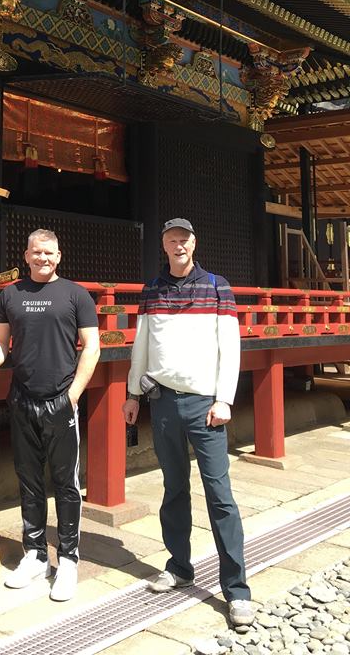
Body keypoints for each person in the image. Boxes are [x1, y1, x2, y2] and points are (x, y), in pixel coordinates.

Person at [122, 218, 254, 628]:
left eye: (184, 240)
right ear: (163, 246)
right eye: (171, 240)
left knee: (220, 494)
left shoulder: (217, 286)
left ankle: (237, 589)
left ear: (194, 244)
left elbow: (229, 347)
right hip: (162, 403)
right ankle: (179, 566)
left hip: (204, 405)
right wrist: (132, 394)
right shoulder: (152, 290)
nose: (178, 246)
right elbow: (141, 344)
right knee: (173, 487)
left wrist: (225, 399)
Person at [0, 229, 100, 602]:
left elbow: (91, 347)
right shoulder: (11, 294)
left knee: (65, 483)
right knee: (28, 480)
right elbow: (0, 341)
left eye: (49, 253)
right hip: (23, 399)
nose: (43, 258)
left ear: (59, 256)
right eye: (36, 253)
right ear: (26, 255)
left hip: (61, 400)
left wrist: (73, 396)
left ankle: (69, 560)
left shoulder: (76, 295)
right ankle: (35, 554)